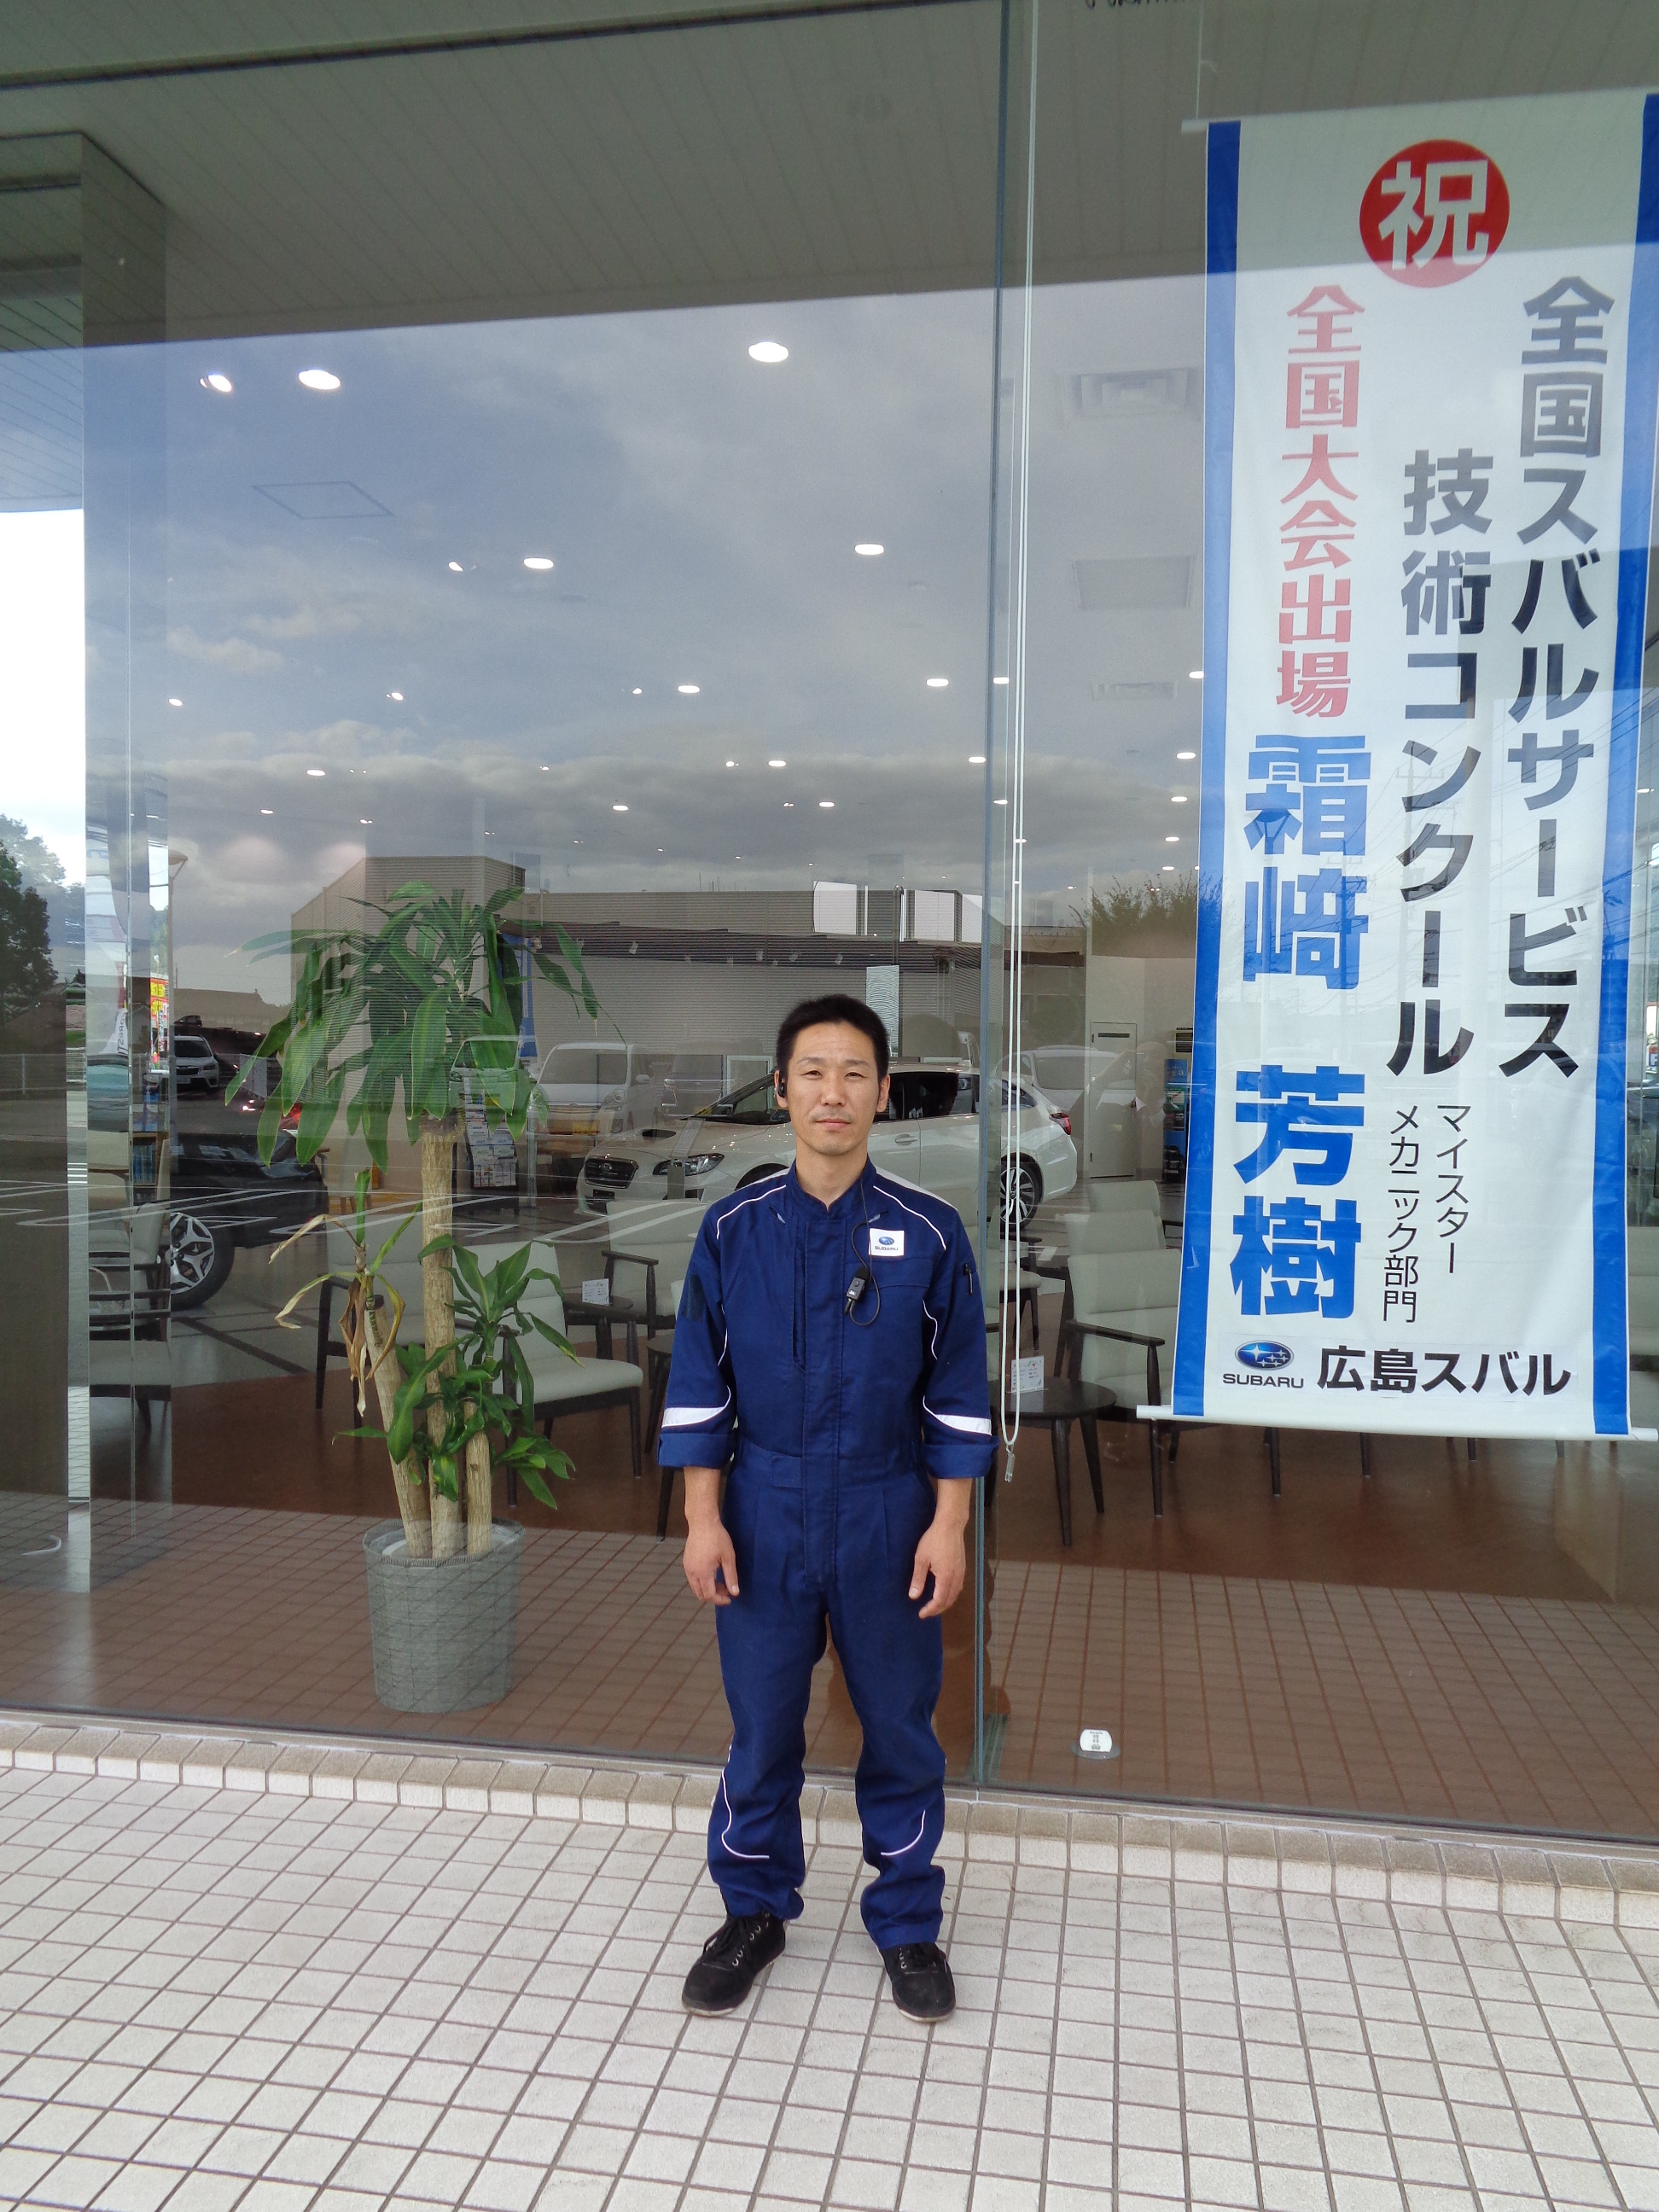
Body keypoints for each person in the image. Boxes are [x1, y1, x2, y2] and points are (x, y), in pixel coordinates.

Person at [659, 994, 993, 2022]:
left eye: (854, 1074)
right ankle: (752, 1911)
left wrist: (948, 1525)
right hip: (764, 1503)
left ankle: (907, 1919)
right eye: (813, 1072)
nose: (833, 1093)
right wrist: (703, 1518)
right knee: (763, 1723)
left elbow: (957, 1394)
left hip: (888, 1505)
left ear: (883, 1094)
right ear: (782, 1090)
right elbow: (700, 1385)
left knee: (899, 1723)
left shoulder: (930, 1234)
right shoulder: (734, 1230)